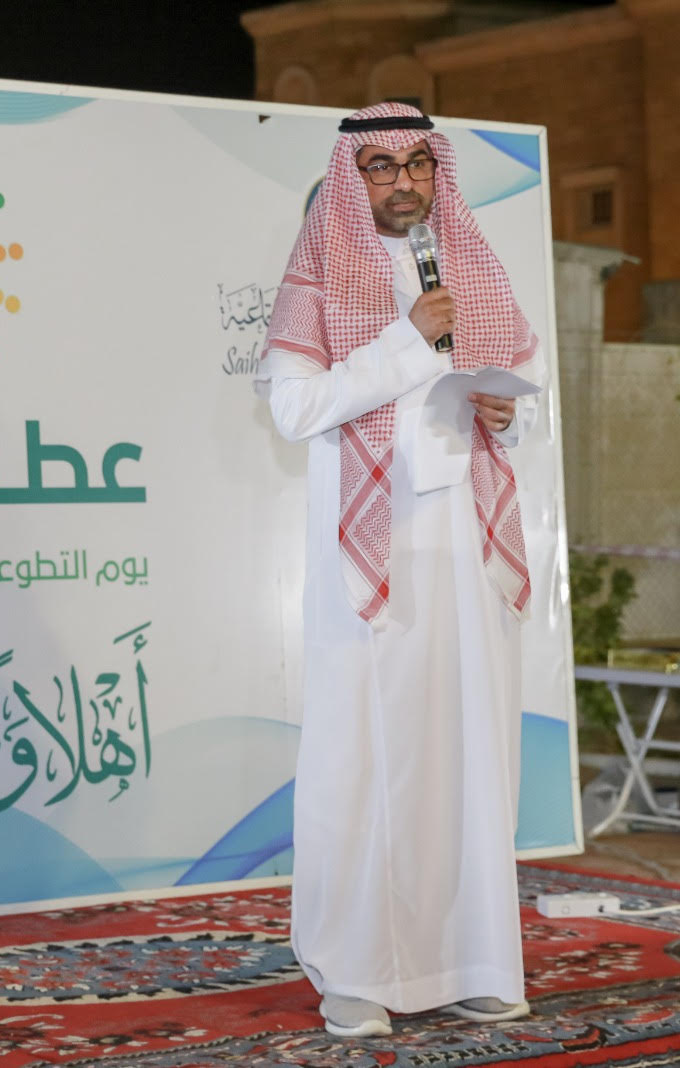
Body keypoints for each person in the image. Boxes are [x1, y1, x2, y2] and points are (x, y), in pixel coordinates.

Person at [255, 101, 544, 1038]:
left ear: (436, 171)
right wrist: (407, 342)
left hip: (461, 545)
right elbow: (295, 410)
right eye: (380, 166)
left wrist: (505, 414)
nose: (403, 182)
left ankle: (471, 959)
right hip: (367, 554)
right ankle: (353, 971)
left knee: (466, 752)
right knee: (362, 759)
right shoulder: (320, 274)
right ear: (354, 176)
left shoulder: (466, 268)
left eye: (417, 163)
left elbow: (515, 384)